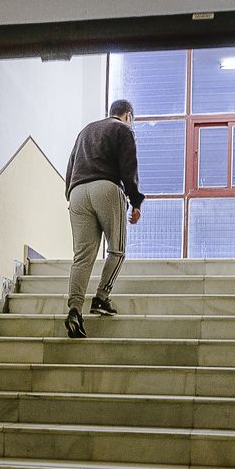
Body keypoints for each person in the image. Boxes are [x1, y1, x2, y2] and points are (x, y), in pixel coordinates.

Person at [62, 99, 145, 338]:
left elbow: (70, 167)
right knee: (117, 250)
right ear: (128, 115)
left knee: (82, 257)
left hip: (77, 193)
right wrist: (135, 201)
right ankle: (101, 298)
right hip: (106, 188)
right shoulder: (123, 130)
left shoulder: (85, 131)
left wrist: (70, 194)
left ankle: (75, 310)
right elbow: (129, 169)